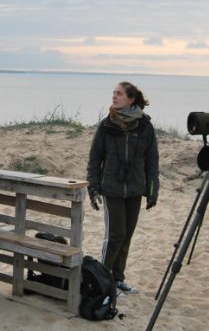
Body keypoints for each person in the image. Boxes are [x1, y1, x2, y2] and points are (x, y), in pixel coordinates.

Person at [86, 81, 160, 295]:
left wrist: (152, 190)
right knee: (115, 235)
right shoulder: (107, 125)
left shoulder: (145, 126)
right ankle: (104, 279)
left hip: (135, 189)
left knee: (127, 235)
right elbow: (94, 159)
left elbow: (152, 161)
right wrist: (94, 188)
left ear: (131, 99)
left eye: (118, 93)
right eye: (113, 93)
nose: (114, 96)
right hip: (112, 189)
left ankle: (118, 279)